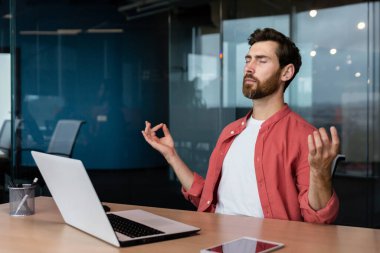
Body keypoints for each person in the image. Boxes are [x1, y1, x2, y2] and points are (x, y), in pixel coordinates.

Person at [142, 28, 339, 224]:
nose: (249, 68)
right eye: (248, 60)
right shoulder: (231, 132)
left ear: (286, 72)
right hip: (215, 238)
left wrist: (320, 173)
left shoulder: (304, 136)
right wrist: (171, 155)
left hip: (269, 243)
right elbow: (206, 199)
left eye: (261, 61)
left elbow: (318, 220)